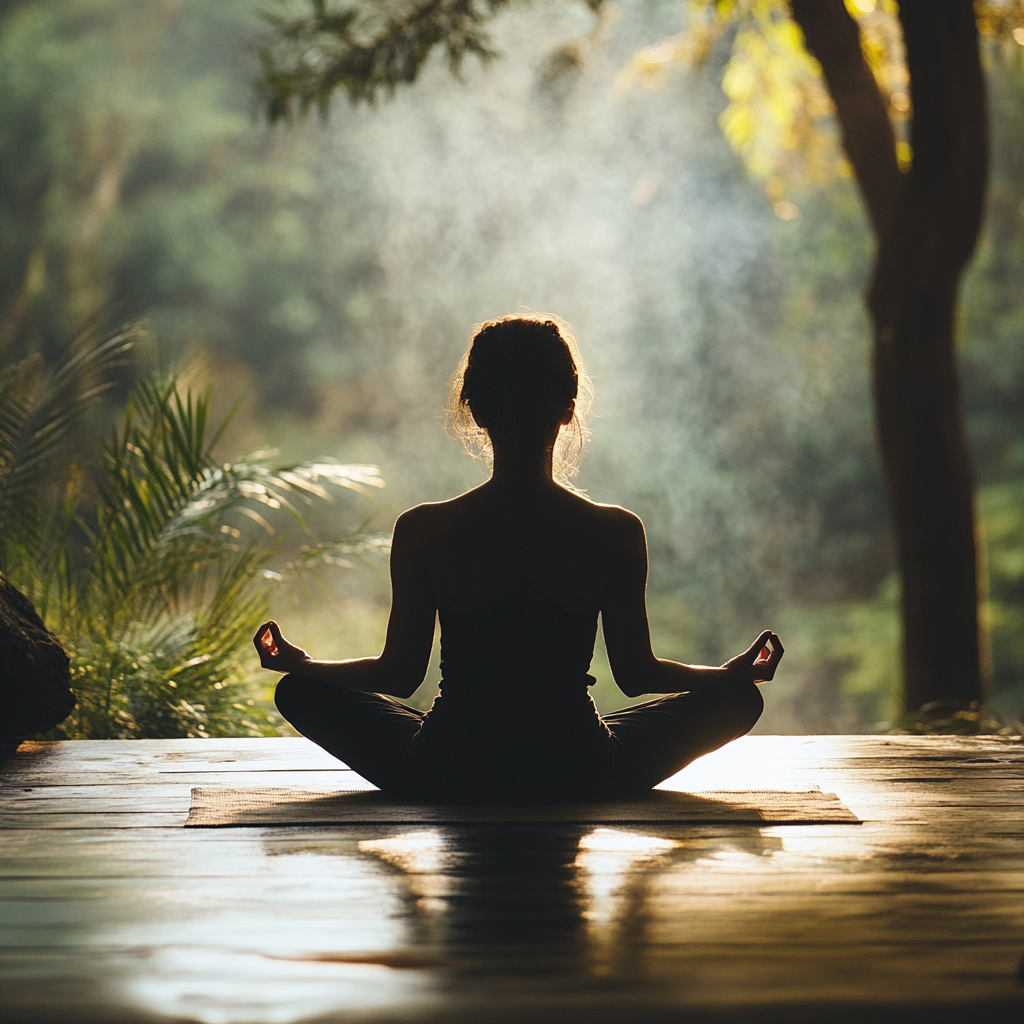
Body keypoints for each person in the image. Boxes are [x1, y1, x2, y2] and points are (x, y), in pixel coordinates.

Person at [254, 314, 782, 802]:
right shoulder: (616, 532)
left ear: (475, 409)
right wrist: (727, 674)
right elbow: (637, 676)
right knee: (739, 701)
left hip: (445, 767)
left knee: (300, 692)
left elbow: (398, 676)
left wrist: (307, 666)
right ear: (569, 408)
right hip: (581, 768)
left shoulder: (424, 530)